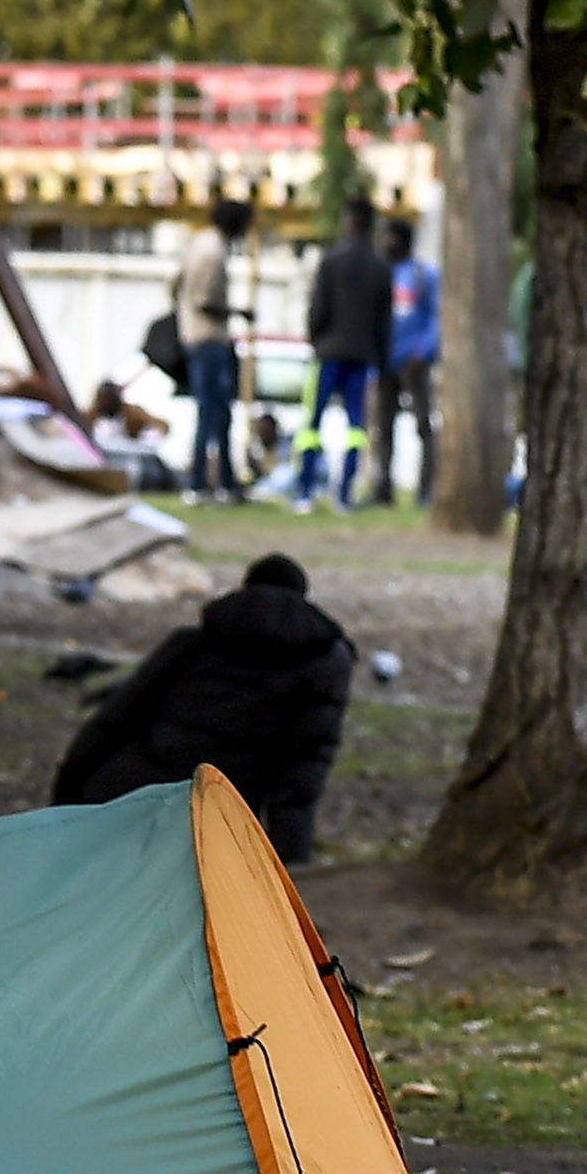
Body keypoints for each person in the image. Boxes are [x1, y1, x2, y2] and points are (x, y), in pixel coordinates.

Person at [48, 553, 353, 863]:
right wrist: (292, 865)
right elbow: (303, 772)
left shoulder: (194, 643)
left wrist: (67, 799)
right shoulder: (324, 665)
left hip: (131, 796)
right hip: (213, 820)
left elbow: (114, 720)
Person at [294, 193, 390, 511]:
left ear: (348, 222)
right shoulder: (380, 266)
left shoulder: (331, 259)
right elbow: (383, 320)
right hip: (362, 356)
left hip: (329, 352)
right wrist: (381, 357)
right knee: (356, 428)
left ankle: (305, 490)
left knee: (312, 424)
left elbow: (318, 306)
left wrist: (315, 338)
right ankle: (344, 493)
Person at [176, 196, 249, 499]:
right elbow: (204, 301)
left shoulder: (198, 244)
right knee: (212, 412)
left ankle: (225, 482)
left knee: (216, 412)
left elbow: (176, 287)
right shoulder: (212, 253)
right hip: (208, 338)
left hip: (197, 335)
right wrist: (237, 313)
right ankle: (199, 482)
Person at [368, 213, 437, 508]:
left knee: (424, 426)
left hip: (414, 363)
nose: (384, 242)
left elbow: (437, 317)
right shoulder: (381, 274)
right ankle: (382, 488)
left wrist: (423, 352)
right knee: (383, 428)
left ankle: (426, 491)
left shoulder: (423, 274)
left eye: (388, 236)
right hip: (386, 362)